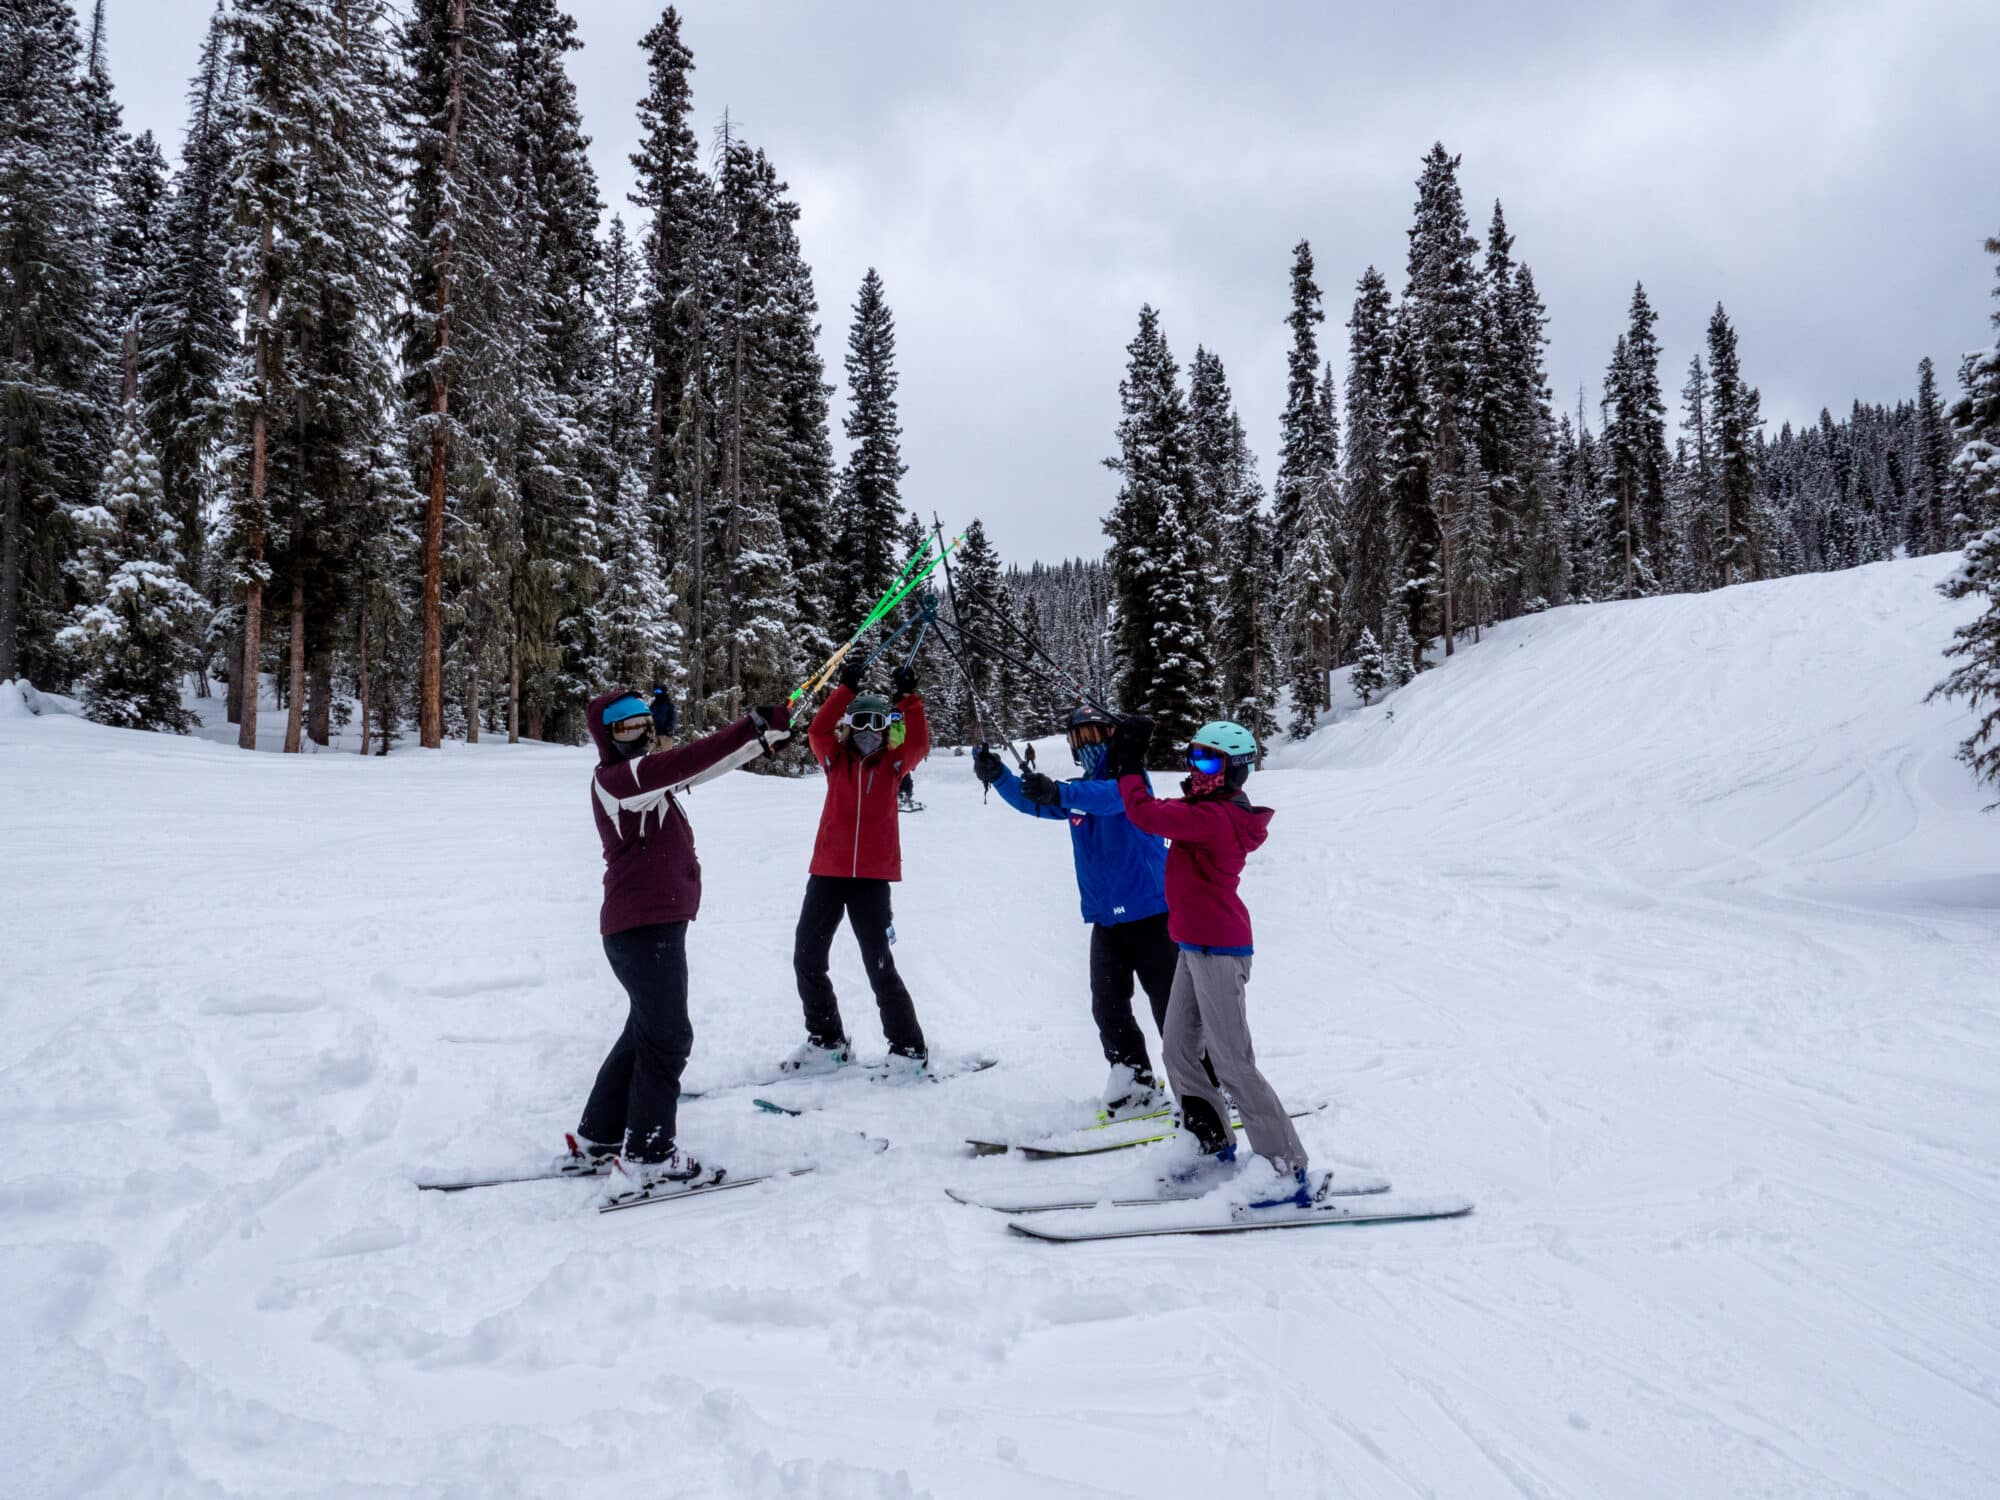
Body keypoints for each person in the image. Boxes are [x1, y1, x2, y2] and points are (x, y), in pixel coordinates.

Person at [557, 688, 789, 1200]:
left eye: (644, 723)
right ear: (605, 736)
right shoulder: (618, 779)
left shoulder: (645, 780)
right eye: (625, 728)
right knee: (668, 1038)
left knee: (645, 1032)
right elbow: (681, 761)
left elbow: (695, 771)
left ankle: (599, 1137)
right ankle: (650, 1156)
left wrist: (758, 742)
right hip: (643, 931)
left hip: (648, 929)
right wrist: (749, 727)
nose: (638, 734)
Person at [1106, 715, 1333, 1211]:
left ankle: (1285, 1167)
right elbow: (1159, 808)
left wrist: (1127, 763)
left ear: (1234, 772)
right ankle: (1211, 1145)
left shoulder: (1216, 817)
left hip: (1220, 951)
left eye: (1207, 760)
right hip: (1193, 946)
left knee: (1232, 1062)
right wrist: (1131, 755)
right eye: (1192, 755)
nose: (1195, 766)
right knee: (1178, 1053)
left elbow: (1145, 814)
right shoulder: (1207, 807)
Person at [972, 705, 1183, 1118]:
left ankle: (1208, 1084)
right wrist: (999, 776)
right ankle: (1133, 1084)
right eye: (1076, 738)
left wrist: (1060, 792)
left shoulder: (1129, 782)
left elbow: (1108, 799)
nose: (1085, 745)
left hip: (1153, 916)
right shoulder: (1080, 791)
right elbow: (1034, 802)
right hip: (1106, 921)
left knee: (1172, 1009)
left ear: (1111, 736)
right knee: (1108, 1007)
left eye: (1093, 735)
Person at [784, 657, 931, 1076]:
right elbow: (816, 730)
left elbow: (918, 743)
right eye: (860, 721)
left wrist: (909, 699)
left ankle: (908, 1049)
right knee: (807, 956)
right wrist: (844, 689)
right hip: (827, 874)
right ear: (850, 725)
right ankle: (827, 1042)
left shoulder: (894, 765)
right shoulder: (834, 759)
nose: (869, 730)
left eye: (877, 722)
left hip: (871, 879)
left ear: (887, 727)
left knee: (879, 963)